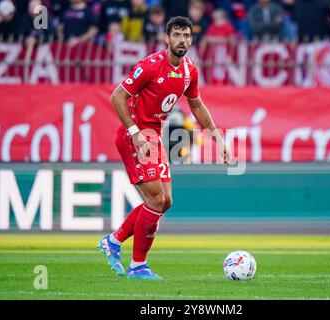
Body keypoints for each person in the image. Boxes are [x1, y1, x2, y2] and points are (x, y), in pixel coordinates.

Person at [98, 16, 234, 280]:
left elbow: (196, 106)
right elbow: (117, 96)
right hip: (135, 136)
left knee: (165, 201)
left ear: (191, 40)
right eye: (177, 35)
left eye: (186, 35)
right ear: (167, 38)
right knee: (156, 200)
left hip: (154, 137)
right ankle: (138, 266)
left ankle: (113, 242)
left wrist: (218, 139)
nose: (181, 40)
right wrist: (135, 132)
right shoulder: (150, 66)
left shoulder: (189, 71)